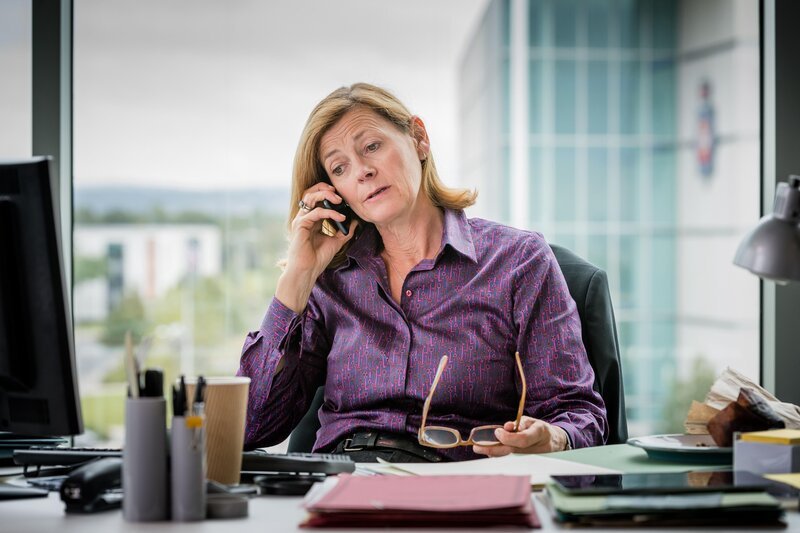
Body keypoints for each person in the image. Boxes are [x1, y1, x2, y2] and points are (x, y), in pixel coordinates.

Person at [238, 83, 608, 462]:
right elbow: (249, 428)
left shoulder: (518, 260)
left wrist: (553, 438)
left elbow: (578, 413)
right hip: (344, 475)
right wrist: (297, 277)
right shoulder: (328, 280)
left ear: (419, 138)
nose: (363, 171)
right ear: (335, 193)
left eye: (372, 146)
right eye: (339, 168)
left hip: (456, 479)